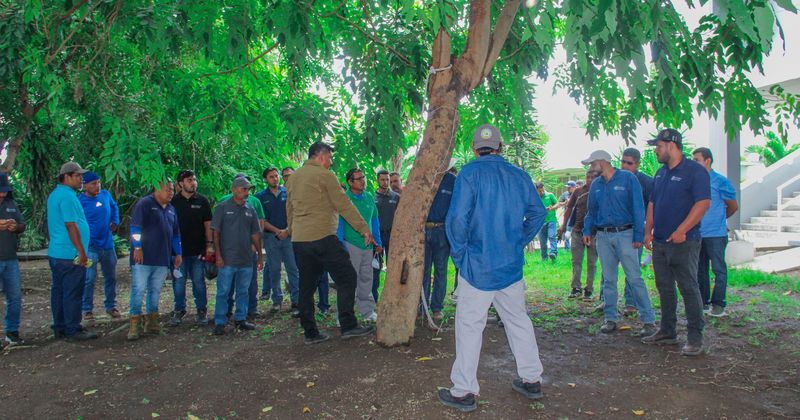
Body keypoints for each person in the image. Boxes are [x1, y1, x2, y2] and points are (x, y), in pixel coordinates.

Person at [438, 124, 547, 412]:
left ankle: (463, 392)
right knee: (518, 321)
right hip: (509, 265)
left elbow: (458, 220)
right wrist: (519, 241)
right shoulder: (519, 175)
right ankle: (532, 379)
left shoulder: (469, 174)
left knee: (470, 326)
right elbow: (539, 213)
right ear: (500, 148)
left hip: (477, 265)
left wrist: (461, 256)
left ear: (475, 149)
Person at [286, 142, 375, 344]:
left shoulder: (294, 177)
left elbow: (289, 209)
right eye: (330, 158)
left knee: (306, 286)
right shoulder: (325, 175)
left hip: (300, 240)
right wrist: (363, 228)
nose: (331, 162)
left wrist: (293, 231)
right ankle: (349, 325)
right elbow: (344, 204)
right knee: (347, 277)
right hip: (323, 237)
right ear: (321, 156)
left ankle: (310, 333)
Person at [643, 129, 710, 357]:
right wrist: (648, 230)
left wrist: (683, 229)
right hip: (660, 242)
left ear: (671, 145)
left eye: (658, 146)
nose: (656, 150)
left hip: (685, 241)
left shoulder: (695, 171)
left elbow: (703, 203)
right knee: (664, 288)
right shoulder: (660, 173)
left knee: (688, 288)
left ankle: (694, 337)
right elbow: (653, 203)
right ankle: (668, 331)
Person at [581, 150, 657, 336]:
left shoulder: (628, 179)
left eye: (593, 164)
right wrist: (587, 230)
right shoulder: (597, 185)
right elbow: (591, 211)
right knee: (608, 279)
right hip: (604, 236)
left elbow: (639, 208)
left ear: (603, 162)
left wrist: (639, 235)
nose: (591, 168)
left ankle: (648, 320)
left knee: (634, 277)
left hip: (626, 234)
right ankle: (610, 318)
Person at [48, 162, 98, 341]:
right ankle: (72, 329)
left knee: (60, 291)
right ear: (67, 176)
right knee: (73, 292)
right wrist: (81, 253)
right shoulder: (67, 196)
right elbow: (71, 225)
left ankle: (60, 326)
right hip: (70, 254)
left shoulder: (57, 194)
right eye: (78, 176)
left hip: (58, 253)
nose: (81, 179)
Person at [127, 179, 182, 341]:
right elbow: (135, 228)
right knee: (139, 289)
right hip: (143, 258)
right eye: (168, 189)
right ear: (157, 189)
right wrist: (137, 247)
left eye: (172, 189)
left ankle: (152, 321)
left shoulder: (172, 209)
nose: (171, 192)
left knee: (155, 290)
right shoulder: (145, 204)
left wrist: (178, 253)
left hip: (162, 258)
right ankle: (134, 323)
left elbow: (176, 233)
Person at [211, 176, 263, 335]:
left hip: (246, 258)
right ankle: (220, 322)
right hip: (227, 259)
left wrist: (260, 255)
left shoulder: (250, 209)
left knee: (243, 290)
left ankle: (241, 319)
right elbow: (216, 233)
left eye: (248, 189)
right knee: (223, 291)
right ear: (234, 189)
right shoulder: (223, 207)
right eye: (243, 189)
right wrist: (218, 255)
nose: (247, 192)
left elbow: (255, 234)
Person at [692, 147, 738, 317]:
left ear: (707, 160)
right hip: (697, 233)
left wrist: (720, 220)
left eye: (697, 159)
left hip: (716, 235)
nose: (694, 163)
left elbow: (733, 206)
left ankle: (718, 304)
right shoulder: (695, 181)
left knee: (718, 269)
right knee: (699, 269)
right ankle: (703, 303)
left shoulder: (720, 181)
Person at [169, 169, 214, 326]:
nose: (193, 183)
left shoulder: (202, 201)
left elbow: (208, 224)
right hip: (178, 252)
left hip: (198, 251)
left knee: (199, 282)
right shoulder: (172, 202)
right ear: (180, 184)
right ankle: (179, 310)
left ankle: (202, 311)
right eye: (189, 180)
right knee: (179, 283)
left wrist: (209, 245)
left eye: (194, 180)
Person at [338, 168, 383, 322]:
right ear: (350, 182)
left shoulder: (369, 197)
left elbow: (374, 220)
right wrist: (341, 245)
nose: (363, 181)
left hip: (368, 246)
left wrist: (378, 241)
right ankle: (344, 315)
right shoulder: (344, 199)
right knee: (349, 280)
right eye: (358, 179)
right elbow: (339, 224)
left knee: (366, 279)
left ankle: (367, 311)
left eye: (363, 177)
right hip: (351, 245)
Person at [256, 167, 300, 315]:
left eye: (276, 176)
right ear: (265, 179)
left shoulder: (288, 193)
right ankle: (277, 300)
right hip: (270, 237)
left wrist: (287, 230)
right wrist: (276, 231)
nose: (275, 179)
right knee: (274, 270)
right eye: (271, 177)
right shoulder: (260, 197)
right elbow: (261, 220)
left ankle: (296, 301)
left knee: (293, 269)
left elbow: (295, 214)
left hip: (288, 236)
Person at [78, 171, 121, 321]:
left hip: (108, 245)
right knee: (89, 279)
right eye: (93, 184)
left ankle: (111, 306)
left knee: (111, 277)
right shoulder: (80, 201)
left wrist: (115, 221)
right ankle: (87, 309)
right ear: (85, 186)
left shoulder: (105, 195)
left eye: (98, 183)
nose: (97, 186)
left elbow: (114, 207)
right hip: (90, 247)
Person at [619, 147, 654, 317]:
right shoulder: (614, 179)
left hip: (636, 230)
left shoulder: (646, 182)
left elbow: (652, 207)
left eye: (629, 163)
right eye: (623, 162)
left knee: (632, 268)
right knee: (608, 269)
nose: (625, 166)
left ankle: (631, 302)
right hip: (615, 230)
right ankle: (606, 300)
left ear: (637, 164)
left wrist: (646, 231)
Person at [423, 163, 456, 321]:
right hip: (423, 231)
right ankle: (422, 306)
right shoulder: (424, 178)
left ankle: (437, 307)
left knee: (441, 271)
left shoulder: (452, 181)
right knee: (423, 271)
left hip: (442, 231)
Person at [558, 170, 597, 300]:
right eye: (588, 176)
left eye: (593, 177)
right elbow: (569, 208)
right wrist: (564, 226)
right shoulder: (578, 191)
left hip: (594, 233)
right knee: (576, 261)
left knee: (592, 262)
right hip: (577, 230)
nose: (590, 179)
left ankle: (589, 289)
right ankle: (576, 288)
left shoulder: (600, 190)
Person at [0, 173, 27, 347]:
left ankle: (12, 332)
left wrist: (15, 226)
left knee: (14, 296)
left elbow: (22, 225)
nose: (2, 195)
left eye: (4, 191)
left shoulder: (11, 204)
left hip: (10, 258)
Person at [373, 169, 399, 302]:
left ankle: (392, 296)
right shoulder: (372, 198)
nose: (386, 182)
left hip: (392, 237)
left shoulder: (396, 197)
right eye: (383, 179)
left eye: (387, 179)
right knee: (375, 267)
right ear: (378, 180)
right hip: (377, 237)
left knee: (393, 267)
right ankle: (374, 298)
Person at [536, 183, 559, 261]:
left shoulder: (550, 195)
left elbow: (557, 204)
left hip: (551, 220)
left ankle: (553, 253)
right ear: (536, 191)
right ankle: (544, 258)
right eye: (539, 191)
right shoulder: (535, 198)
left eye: (542, 190)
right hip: (540, 222)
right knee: (542, 242)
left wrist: (552, 208)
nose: (542, 192)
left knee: (552, 236)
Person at [557, 181, 577, 250]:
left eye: (569, 187)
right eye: (567, 187)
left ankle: (576, 247)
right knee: (567, 231)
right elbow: (559, 203)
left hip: (577, 216)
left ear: (574, 187)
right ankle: (567, 248)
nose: (568, 189)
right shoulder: (565, 194)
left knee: (576, 232)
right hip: (568, 216)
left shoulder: (578, 193)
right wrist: (565, 203)